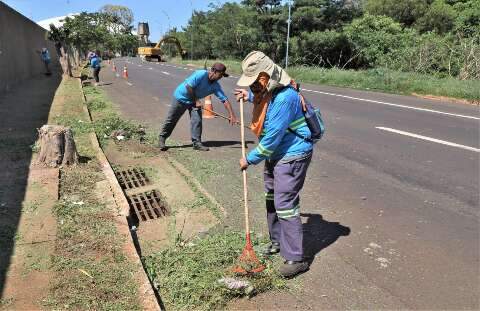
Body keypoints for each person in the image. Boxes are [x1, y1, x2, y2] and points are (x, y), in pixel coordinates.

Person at [234, 51, 313, 278]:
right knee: (271, 198)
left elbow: (270, 139)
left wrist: (248, 159)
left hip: (292, 154)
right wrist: (248, 97)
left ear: (266, 77)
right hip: (276, 154)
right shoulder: (271, 92)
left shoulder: (285, 97)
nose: (253, 89)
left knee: (285, 203)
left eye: (254, 85)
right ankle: (277, 241)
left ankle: (296, 257)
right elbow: (266, 105)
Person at [158, 63, 238, 151]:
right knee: (172, 119)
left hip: (194, 101)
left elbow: (225, 100)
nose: (221, 77)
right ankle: (162, 138)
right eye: (220, 74)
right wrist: (196, 101)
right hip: (181, 97)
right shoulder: (201, 74)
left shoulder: (216, 86)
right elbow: (189, 86)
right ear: (214, 71)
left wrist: (232, 115)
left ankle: (197, 143)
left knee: (197, 120)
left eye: (222, 75)